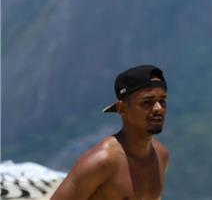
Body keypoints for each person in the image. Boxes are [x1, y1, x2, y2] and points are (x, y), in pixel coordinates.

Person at [51, 65, 169, 200]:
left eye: (162, 100)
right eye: (147, 102)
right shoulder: (102, 162)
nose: (159, 108)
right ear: (122, 108)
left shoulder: (161, 155)